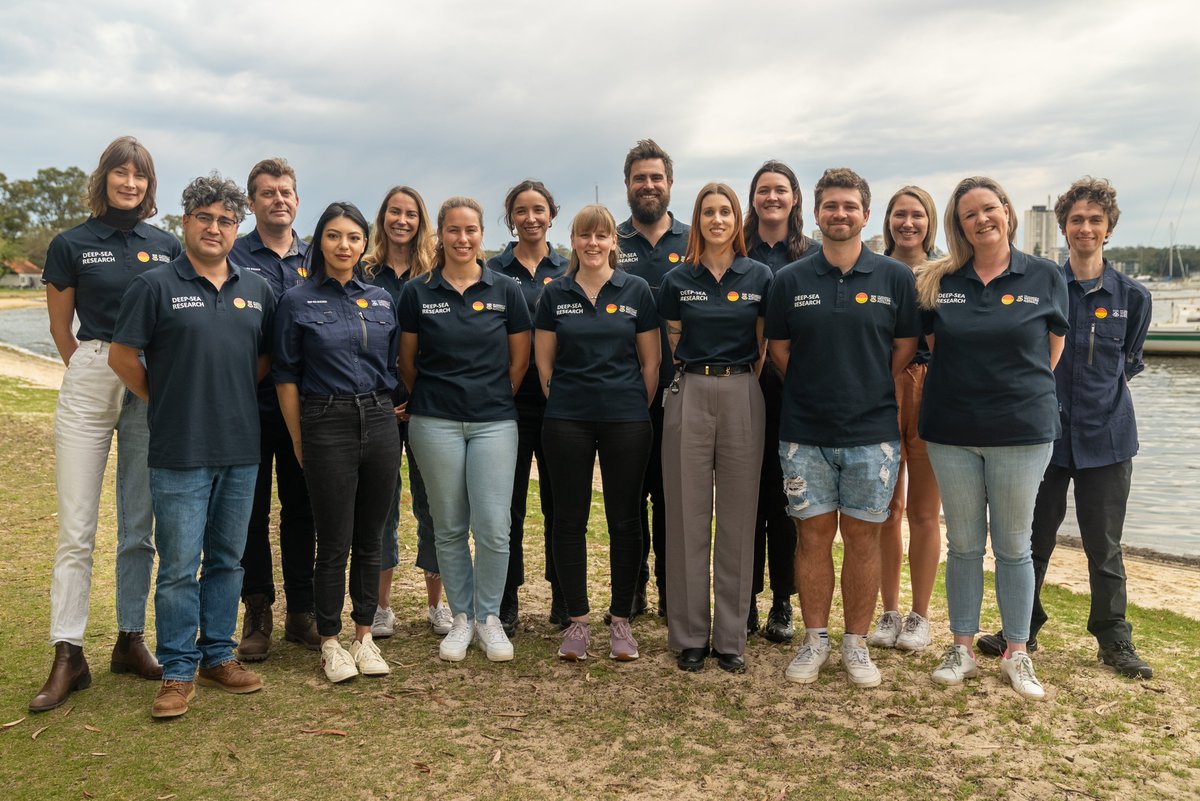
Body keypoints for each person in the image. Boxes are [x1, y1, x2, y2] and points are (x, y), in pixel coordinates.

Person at [975, 178, 1153, 679]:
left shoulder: (1133, 297)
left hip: (1109, 438)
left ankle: (1113, 639)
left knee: (1105, 545)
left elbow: (1129, 363)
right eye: (1077, 219)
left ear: (1109, 228)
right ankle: (1021, 628)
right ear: (1064, 227)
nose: (1086, 228)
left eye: (1095, 219)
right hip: (1044, 435)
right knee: (1032, 539)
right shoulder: (1042, 284)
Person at [109, 173, 273, 718]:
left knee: (227, 560)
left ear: (237, 227)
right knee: (179, 565)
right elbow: (122, 357)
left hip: (240, 448)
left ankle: (217, 655)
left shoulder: (257, 290)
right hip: (178, 448)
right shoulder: (154, 286)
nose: (215, 227)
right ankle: (177, 671)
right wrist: (165, 397)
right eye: (204, 217)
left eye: (226, 220)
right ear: (185, 222)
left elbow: (262, 362)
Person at [31, 136, 178, 714]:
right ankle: (68, 652)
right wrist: (94, 367)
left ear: (149, 185)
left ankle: (129, 639)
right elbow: (61, 331)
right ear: (105, 179)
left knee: (140, 525)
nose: (131, 183)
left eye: (140, 175)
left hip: (149, 381)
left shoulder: (166, 245)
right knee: (78, 527)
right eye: (121, 173)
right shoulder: (71, 244)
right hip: (92, 374)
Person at [764, 168, 919, 689]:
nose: (840, 214)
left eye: (849, 206)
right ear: (816, 212)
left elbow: (901, 351)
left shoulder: (895, 278)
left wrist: (866, 387)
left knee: (863, 539)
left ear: (865, 214)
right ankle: (815, 640)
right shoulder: (790, 280)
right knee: (811, 538)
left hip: (872, 433)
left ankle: (855, 645)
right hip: (804, 432)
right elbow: (779, 352)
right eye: (830, 205)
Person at [917, 176, 1068, 702]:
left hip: (1021, 433)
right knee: (962, 545)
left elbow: (1051, 350)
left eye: (989, 208)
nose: (981, 219)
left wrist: (1014, 395)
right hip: (952, 431)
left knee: (1012, 546)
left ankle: (1017, 653)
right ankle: (960, 644)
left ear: (1006, 210)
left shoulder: (1045, 274)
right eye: (968, 215)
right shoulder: (940, 279)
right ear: (958, 226)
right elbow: (938, 346)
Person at [398, 197, 532, 663]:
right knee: (449, 526)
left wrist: (487, 397)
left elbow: (519, 362)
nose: (462, 238)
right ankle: (460, 617)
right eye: (453, 230)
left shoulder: (506, 289)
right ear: (440, 234)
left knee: (495, 526)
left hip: (494, 421)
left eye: (471, 229)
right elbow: (408, 363)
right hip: (434, 421)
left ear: (482, 234)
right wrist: (439, 400)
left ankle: (488, 617)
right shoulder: (418, 293)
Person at [273, 202, 401, 683]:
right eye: (333, 236)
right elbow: (286, 376)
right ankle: (329, 640)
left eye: (353, 236)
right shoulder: (297, 300)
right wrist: (299, 436)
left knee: (372, 537)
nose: (343, 245)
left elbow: (392, 366)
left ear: (365, 243)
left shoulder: (383, 299)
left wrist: (388, 406)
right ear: (319, 241)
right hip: (324, 420)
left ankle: (364, 635)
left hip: (379, 419)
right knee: (333, 540)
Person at [534, 204, 660, 662]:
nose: (593, 244)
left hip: (627, 418)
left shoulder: (637, 290)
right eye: (584, 236)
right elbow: (544, 363)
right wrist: (569, 400)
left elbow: (651, 363)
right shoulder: (555, 294)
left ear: (613, 243)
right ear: (574, 240)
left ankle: (622, 620)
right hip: (567, 418)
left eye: (601, 236)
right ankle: (578, 622)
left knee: (625, 518)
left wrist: (626, 403)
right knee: (568, 518)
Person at [660, 182, 772, 673]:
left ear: (737, 219)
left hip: (743, 390)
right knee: (685, 514)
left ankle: (730, 637)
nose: (717, 219)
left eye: (725, 211)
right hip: (692, 391)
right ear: (698, 219)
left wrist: (743, 383)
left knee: (738, 517)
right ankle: (689, 635)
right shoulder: (677, 279)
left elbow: (765, 344)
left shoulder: (761, 276)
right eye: (708, 212)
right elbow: (671, 341)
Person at [230, 158, 319, 662]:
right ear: (252, 203)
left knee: (302, 509)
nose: (278, 199)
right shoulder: (235, 254)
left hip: (308, 404)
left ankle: (302, 612)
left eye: (286, 191)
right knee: (252, 510)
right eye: (267, 193)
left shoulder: (318, 255)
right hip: (250, 402)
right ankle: (257, 610)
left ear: (297, 200)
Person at [362, 186, 450, 640]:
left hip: (424, 405)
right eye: (394, 212)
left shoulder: (435, 275)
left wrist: (413, 399)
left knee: (431, 503)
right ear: (382, 218)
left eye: (410, 213)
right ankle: (380, 607)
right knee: (381, 507)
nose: (402, 220)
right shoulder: (364, 272)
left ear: (421, 222)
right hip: (375, 405)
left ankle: (437, 605)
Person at [743, 160, 820, 643]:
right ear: (753, 198)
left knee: (789, 501)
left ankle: (782, 602)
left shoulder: (812, 255)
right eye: (763, 190)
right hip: (745, 389)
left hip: (796, 391)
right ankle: (744, 599)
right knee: (745, 499)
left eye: (781, 190)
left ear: (794, 199)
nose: (772, 197)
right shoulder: (736, 250)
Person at [486, 180, 568, 635]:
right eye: (521, 210)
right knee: (508, 506)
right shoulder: (495, 271)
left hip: (560, 401)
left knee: (560, 503)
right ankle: (507, 596)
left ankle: (561, 591)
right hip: (510, 402)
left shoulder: (570, 267)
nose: (530, 217)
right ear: (511, 217)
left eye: (539, 209)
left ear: (551, 215)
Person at [867, 186, 942, 654]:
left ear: (930, 221)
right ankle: (889, 609)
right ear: (887, 220)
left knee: (925, 513)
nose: (908, 223)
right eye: (900, 214)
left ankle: (920, 615)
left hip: (933, 386)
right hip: (884, 385)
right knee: (885, 510)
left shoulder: (946, 272)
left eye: (917, 215)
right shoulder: (875, 270)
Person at [617, 139, 690, 619]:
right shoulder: (609, 239)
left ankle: (670, 591)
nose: (648, 186)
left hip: (681, 392)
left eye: (656, 177)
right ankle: (633, 587)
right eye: (639, 178)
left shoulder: (693, 241)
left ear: (669, 184)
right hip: (621, 394)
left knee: (671, 501)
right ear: (627, 185)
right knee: (626, 499)